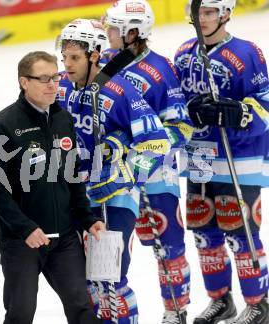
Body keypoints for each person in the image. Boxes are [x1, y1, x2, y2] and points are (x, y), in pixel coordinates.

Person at [57, 18, 172, 324]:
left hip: (116, 200)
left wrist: (127, 175)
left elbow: (158, 144)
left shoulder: (120, 91)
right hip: (77, 198)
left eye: (75, 58)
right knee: (87, 285)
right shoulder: (59, 88)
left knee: (111, 279)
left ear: (94, 54)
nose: (67, 64)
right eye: (64, 57)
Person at [0, 51, 105, 324]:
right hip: (22, 242)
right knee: (20, 314)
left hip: (64, 237)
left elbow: (72, 176)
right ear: (24, 82)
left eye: (56, 76)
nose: (54, 84)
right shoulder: (0, 126)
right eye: (44, 79)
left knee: (82, 310)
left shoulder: (63, 120)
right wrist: (25, 228)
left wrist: (87, 219)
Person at [174, 0, 269, 323]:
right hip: (199, 156)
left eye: (209, 12)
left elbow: (265, 106)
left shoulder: (246, 53)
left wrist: (239, 113)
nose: (201, 18)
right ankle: (221, 300)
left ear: (226, 14)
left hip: (238, 157)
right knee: (204, 233)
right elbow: (175, 105)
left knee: (240, 232)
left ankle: (259, 303)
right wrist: (190, 111)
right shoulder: (184, 54)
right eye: (197, 11)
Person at [102, 1, 194, 323]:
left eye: (113, 26)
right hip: (114, 174)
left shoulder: (161, 69)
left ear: (132, 33)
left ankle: (176, 310)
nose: (107, 31)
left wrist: (145, 147)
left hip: (155, 171)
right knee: (112, 252)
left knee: (169, 242)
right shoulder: (100, 63)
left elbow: (181, 126)